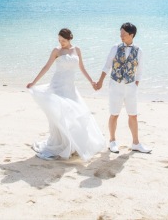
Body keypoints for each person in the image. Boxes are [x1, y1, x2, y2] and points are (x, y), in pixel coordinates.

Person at [26, 28, 106, 161]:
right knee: (60, 115)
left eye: (63, 40)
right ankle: (63, 144)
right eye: (59, 40)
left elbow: (82, 68)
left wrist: (92, 81)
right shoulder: (56, 51)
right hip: (57, 86)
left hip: (70, 88)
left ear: (70, 38)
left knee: (75, 115)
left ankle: (72, 144)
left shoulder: (77, 50)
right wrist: (34, 81)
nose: (61, 43)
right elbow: (46, 67)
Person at [94, 22, 152, 154]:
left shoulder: (139, 50)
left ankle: (136, 143)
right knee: (114, 114)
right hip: (116, 85)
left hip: (131, 87)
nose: (121, 36)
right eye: (120, 33)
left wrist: (135, 85)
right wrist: (100, 81)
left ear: (131, 35)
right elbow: (107, 66)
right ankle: (112, 141)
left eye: (124, 34)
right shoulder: (115, 47)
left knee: (133, 115)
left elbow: (140, 71)